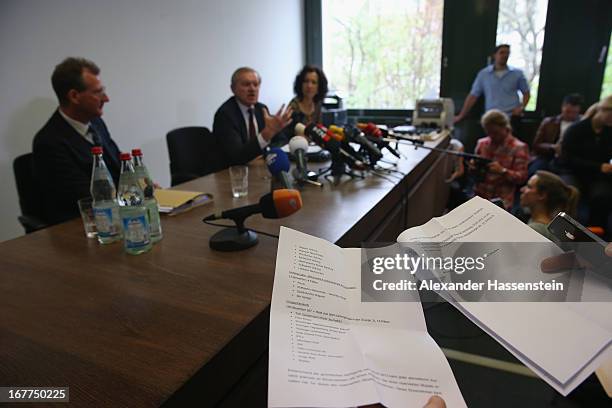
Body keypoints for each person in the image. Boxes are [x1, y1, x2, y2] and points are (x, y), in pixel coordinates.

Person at [32, 57, 121, 225]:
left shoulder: (95, 122)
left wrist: (139, 183)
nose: (106, 98)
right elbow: (88, 196)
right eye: (97, 92)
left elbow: (116, 163)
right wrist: (131, 194)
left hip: (113, 214)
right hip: (80, 228)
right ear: (74, 96)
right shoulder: (49, 142)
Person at [213, 67, 292, 169]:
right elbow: (237, 156)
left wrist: (266, 153)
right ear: (233, 88)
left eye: (256, 84)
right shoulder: (225, 115)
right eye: (246, 84)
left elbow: (282, 140)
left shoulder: (261, 109)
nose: (252, 89)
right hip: (230, 176)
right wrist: (266, 135)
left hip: (256, 169)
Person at [560, 95, 612, 234]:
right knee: (570, 192)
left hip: (596, 175)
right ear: (601, 111)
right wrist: (599, 166)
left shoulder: (609, 131)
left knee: (603, 195)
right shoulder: (576, 129)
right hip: (572, 171)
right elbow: (567, 159)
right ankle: (564, 231)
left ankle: (594, 233)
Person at [454, 44, 530, 126]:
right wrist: (461, 115)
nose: (505, 55)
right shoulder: (484, 74)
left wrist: (521, 108)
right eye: (502, 53)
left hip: (512, 117)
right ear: (495, 55)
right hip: (491, 118)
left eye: (507, 53)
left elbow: (526, 93)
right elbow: (473, 96)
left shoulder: (517, 74)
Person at [473, 109, 529, 210]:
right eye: (488, 132)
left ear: (505, 127)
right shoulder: (482, 143)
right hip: (479, 197)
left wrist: (502, 171)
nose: (492, 136)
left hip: (502, 201)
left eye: (495, 132)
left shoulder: (519, 147)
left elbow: (522, 178)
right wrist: (472, 167)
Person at [528, 93, 583, 176]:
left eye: (574, 112)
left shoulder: (582, 124)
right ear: (562, 107)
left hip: (570, 160)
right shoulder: (549, 122)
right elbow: (536, 145)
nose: (570, 115)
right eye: (568, 112)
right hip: (547, 156)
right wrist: (552, 147)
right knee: (534, 172)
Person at [519, 170, 579, 241]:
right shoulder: (551, 227)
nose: (522, 189)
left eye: (529, 187)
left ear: (542, 195)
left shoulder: (536, 229)